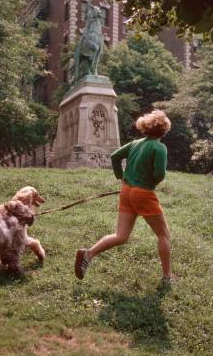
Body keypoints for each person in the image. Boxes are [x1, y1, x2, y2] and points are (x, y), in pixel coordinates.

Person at [74, 109, 173, 282]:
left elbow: (115, 156)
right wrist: (152, 183)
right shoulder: (159, 147)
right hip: (143, 193)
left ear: (145, 126)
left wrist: (121, 177)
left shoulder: (135, 143)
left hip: (126, 191)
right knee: (163, 235)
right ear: (164, 130)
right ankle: (167, 277)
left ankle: (88, 254)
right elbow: (160, 174)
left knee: (121, 236)